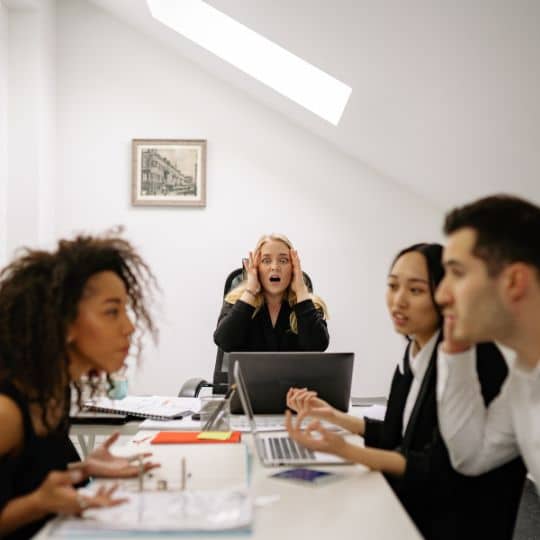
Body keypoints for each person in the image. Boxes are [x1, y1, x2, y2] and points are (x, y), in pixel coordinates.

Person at [286, 243, 525, 540]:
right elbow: (397, 435)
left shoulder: (468, 358)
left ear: (444, 294)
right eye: (392, 286)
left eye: (415, 290)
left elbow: (436, 467)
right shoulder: (415, 348)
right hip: (416, 505)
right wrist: (335, 417)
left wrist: (344, 450)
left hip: (452, 521)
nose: (398, 301)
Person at [0, 232, 159, 539]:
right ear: (65, 324)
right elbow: (32, 499)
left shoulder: (55, 391)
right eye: (112, 311)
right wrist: (36, 504)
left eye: (125, 310)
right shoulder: (7, 412)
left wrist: (82, 468)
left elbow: (30, 476)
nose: (128, 327)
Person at [435, 195, 540, 490]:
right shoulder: (524, 375)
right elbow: (472, 456)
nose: (442, 295)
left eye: (457, 273)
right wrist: (456, 352)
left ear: (513, 281)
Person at [213, 233, 329, 362]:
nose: (274, 267)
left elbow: (317, 347)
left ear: (293, 268)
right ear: (256, 267)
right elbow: (224, 342)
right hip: (247, 382)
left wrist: (301, 291)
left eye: (283, 260)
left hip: (294, 382)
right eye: (266, 260)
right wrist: (251, 292)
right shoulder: (236, 301)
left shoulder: (310, 304)